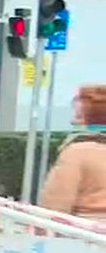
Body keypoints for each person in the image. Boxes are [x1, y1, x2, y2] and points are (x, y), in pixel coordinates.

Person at [39, 90, 106, 221]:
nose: (72, 121)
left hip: (86, 228)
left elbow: (56, 205)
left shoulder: (77, 153)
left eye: (79, 116)